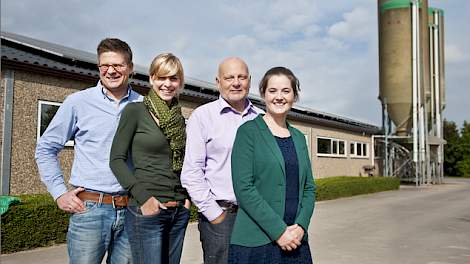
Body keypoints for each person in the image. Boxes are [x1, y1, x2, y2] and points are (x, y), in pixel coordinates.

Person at [35, 38, 142, 263]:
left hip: (133, 209)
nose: (111, 71)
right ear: (98, 67)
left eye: (118, 65)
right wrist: (59, 192)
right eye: (105, 65)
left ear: (130, 68)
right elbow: (45, 148)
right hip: (90, 210)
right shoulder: (77, 102)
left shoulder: (143, 105)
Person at [228, 67, 315, 264]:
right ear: (263, 94)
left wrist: (301, 226)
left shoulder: (299, 138)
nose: (279, 97)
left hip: (296, 241)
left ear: (294, 95)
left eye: (286, 91)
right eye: (273, 90)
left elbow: (309, 187)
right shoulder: (248, 132)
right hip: (256, 242)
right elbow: (244, 188)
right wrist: (279, 231)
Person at [109, 53, 191, 264]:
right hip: (148, 210)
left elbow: (184, 164)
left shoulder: (180, 120)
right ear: (152, 79)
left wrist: (186, 200)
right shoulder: (135, 111)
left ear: (180, 82)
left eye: (173, 78)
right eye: (161, 78)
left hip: (178, 210)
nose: (167, 84)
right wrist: (144, 199)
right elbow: (116, 160)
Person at [181, 57, 261, 263]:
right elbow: (191, 171)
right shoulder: (203, 116)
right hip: (222, 216)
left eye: (241, 77)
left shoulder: (262, 118)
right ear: (218, 82)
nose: (236, 82)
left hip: (258, 216)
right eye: (229, 77)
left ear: (249, 81)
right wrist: (214, 214)